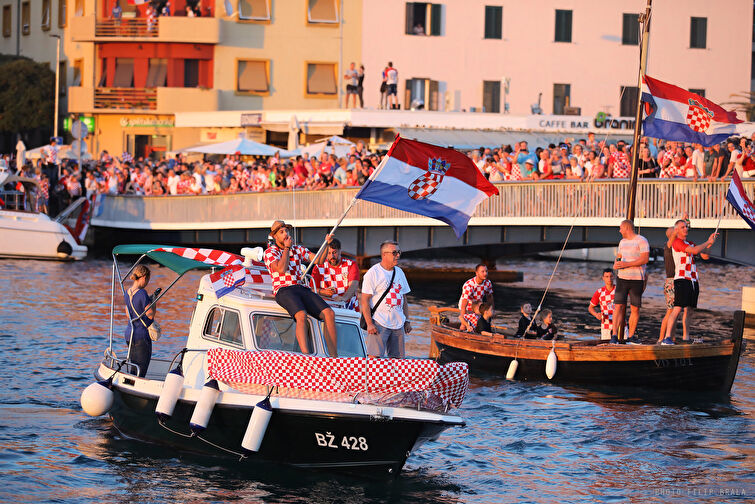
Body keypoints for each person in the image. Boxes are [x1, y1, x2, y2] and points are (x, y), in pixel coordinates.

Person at [263, 220, 338, 356]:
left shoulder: (297, 249)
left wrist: (326, 244)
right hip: (283, 289)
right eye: (282, 232)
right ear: (275, 236)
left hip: (300, 287)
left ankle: (334, 358)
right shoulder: (269, 252)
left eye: (287, 231)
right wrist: (286, 248)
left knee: (329, 314)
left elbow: (318, 260)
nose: (286, 234)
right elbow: (281, 268)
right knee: (301, 315)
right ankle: (306, 357)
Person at [660, 220, 717, 345]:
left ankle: (686, 337)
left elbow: (704, 256)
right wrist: (706, 242)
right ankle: (667, 337)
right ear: (677, 230)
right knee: (677, 308)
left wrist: (710, 243)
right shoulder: (676, 242)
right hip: (681, 279)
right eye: (682, 227)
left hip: (693, 279)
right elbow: (695, 251)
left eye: (686, 227)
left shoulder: (690, 243)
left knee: (689, 309)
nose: (686, 229)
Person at [360, 240, 411, 358]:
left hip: (398, 323)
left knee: (398, 361)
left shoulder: (400, 272)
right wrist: (369, 324)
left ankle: (395, 377)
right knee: (374, 358)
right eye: (394, 252)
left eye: (399, 252)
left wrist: (407, 320)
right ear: (384, 254)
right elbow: (365, 300)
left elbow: (403, 298)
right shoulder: (373, 273)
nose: (398, 255)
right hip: (379, 322)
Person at [611, 219, 649, 344]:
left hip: (636, 279)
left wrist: (627, 264)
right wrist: (616, 263)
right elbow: (619, 256)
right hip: (622, 279)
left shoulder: (642, 240)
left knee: (635, 308)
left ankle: (631, 336)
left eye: (621, 228)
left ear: (627, 228)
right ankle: (614, 335)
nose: (619, 230)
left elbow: (644, 259)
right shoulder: (622, 242)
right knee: (618, 306)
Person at [124, 265, 157, 377]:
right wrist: (154, 302)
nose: (147, 282)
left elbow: (127, 314)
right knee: (141, 371)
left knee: (133, 367)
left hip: (129, 333)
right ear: (144, 277)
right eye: (148, 279)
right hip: (141, 336)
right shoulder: (142, 293)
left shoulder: (127, 292)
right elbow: (150, 315)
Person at [311, 238, 360, 309]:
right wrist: (323, 292)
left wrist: (343, 298)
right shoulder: (319, 266)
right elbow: (311, 289)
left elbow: (353, 285)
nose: (332, 256)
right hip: (327, 307)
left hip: (348, 308)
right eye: (329, 253)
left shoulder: (351, 264)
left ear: (340, 251)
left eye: (334, 252)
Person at [588, 268, 615, 341]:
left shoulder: (620, 290)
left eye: (611, 276)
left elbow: (636, 295)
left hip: (620, 326)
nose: (609, 279)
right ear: (603, 278)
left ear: (614, 277)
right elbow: (590, 308)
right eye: (607, 276)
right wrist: (596, 314)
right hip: (606, 326)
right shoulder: (599, 292)